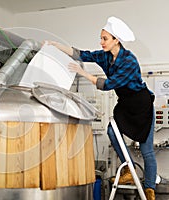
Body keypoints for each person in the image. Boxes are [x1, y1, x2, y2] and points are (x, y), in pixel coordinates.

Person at [47, 16, 157, 200]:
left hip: (141, 104)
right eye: (101, 38)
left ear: (116, 40)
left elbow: (108, 84)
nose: (101, 42)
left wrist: (83, 73)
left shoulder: (129, 61)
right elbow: (81, 54)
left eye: (105, 38)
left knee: (147, 150)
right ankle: (128, 170)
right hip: (124, 103)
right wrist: (56, 45)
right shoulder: (105, 56)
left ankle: (150, 189)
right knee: (112, 132)